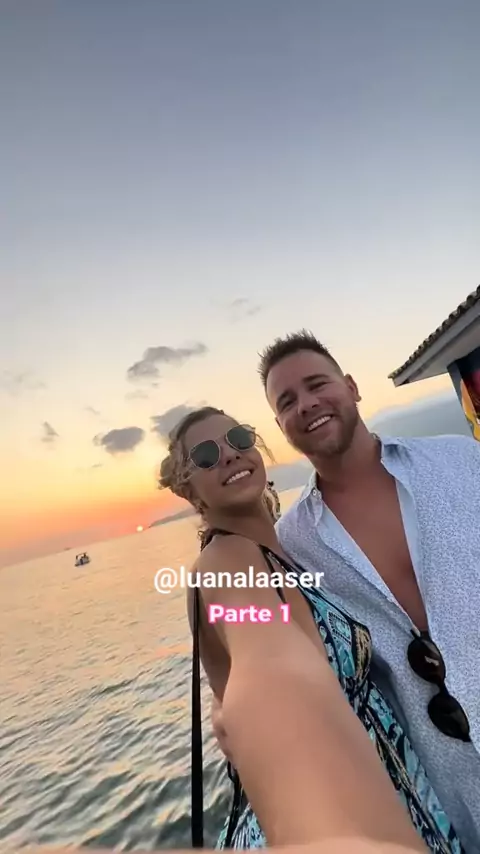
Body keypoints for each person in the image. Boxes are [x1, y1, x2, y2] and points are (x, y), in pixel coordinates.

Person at [212, 330, 480, 853]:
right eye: (287, 401)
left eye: (317, 385)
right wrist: (230, 707)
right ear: (281, 427)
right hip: (450, 793)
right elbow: (259, 629)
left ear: (352, 387)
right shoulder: (292, 544)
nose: (306, 404)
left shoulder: (460, 460)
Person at [157, 406, 463, 853]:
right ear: (189, 489)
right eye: (206, 455)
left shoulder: (284, 552)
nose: (229, 455)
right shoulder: (226, 564)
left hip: (388, 791)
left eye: (238, 439)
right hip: (340, 818)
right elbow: (268, 660)